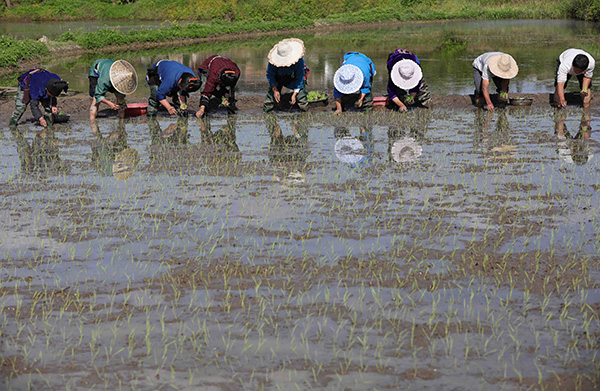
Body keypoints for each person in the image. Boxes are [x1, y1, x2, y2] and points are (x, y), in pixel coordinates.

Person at [264, 38, 308, 112]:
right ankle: (268, 111)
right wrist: (275, 90)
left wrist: (294, 94)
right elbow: (270, 75)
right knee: (271, 97)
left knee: (301, 96)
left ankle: (304, 111)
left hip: (293, 77)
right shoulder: (272, 62)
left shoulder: (299, 61)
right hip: (278, 78)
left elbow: (300, 77)